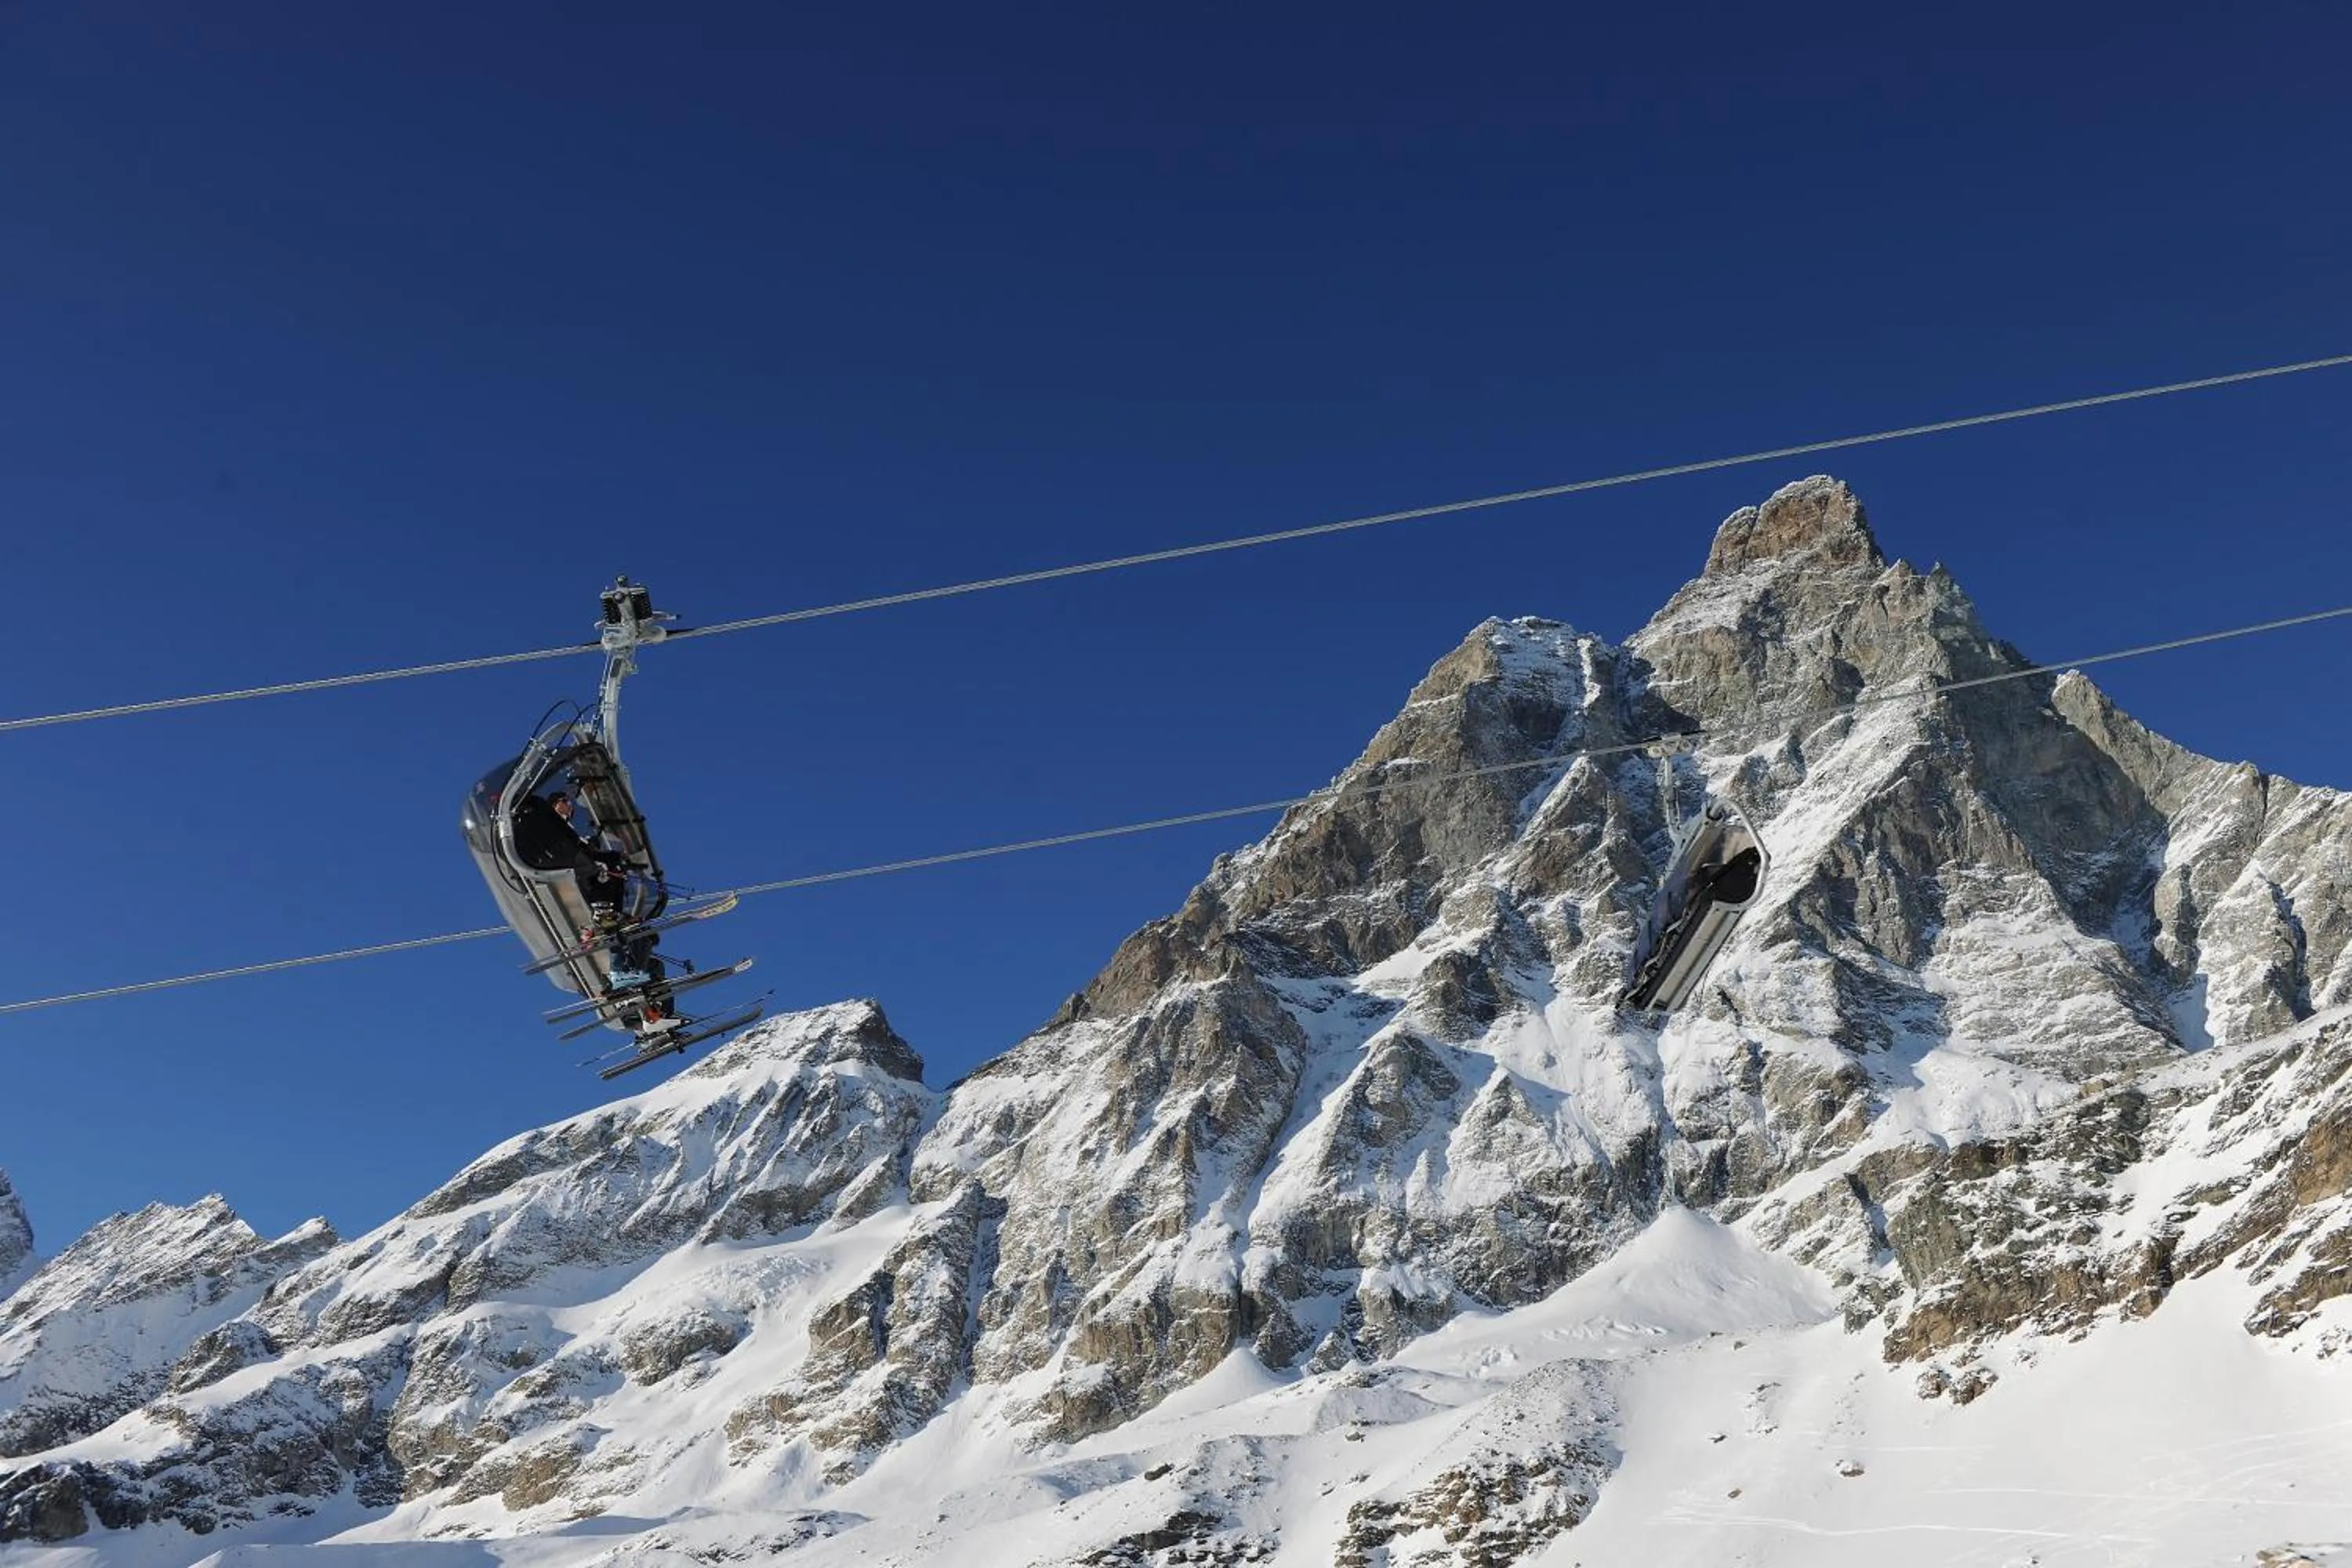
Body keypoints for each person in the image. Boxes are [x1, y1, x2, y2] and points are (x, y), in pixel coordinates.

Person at [510, 788, 631, 927]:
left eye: (568, 801)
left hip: (571, 854)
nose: (569, 804)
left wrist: (609, 853)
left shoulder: (566, 826)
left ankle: (614, 913)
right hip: (556, 857)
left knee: (615, 867)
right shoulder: (545, 819)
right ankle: (601, 912)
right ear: (554, 805)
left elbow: (575, 841)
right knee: (593, 865)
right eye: (564, 801)